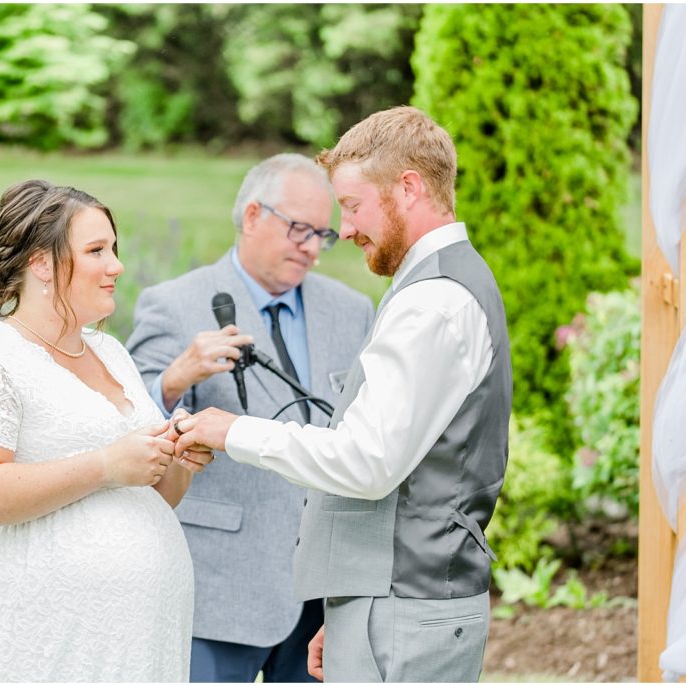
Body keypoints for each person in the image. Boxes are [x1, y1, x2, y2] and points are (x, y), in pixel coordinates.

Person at [174, 107, 512, 682]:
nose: (346, 229)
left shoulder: (433, 302)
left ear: (408, 187)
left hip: (406, 608)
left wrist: (232, 431)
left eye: (353, 207)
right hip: (389, 604)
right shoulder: (442, 283)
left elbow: (367, 461)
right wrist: (354, 608)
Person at [0, 180, 211, 682]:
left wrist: (178, 457)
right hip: (47, 639)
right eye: (97, 250)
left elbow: (149, 497)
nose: (117, 265)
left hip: (142, 641)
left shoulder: (111, 353)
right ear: (42, 263)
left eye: (115, 249)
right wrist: (106, 465)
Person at [126, 154, 374, 682]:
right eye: (301, 229)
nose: (312, 247)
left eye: (324, 236)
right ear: (254, 215)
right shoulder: (171, 304)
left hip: (324, 593)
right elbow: (127, 424)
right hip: (221, 584)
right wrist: (175, 380)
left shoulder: (353, 311)